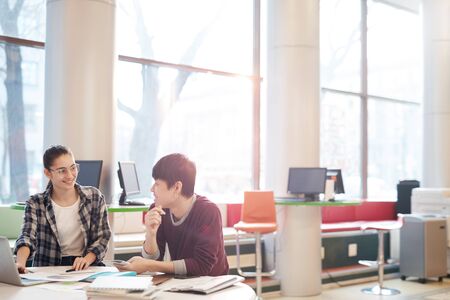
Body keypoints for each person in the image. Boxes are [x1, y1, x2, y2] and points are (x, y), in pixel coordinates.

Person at [118, 153, 229, 276]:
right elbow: (154, 261)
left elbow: (202, 266)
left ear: (176, 187)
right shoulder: (158, 209)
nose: (152, 189)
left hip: (213, 285)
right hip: (183, 283)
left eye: (157, 183)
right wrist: (150, 234)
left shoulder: (208, 212)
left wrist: (148, 265)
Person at [14, 145, 111, 273]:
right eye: (62, 171)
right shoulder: (36, 203)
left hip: (86, 267)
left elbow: (103, 237)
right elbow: (26, 237)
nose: (70, 175)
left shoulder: (94, 197)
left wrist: (86, 259)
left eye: (73, 168)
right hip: (48, 269)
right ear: (48, 173)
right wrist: (20, 263)